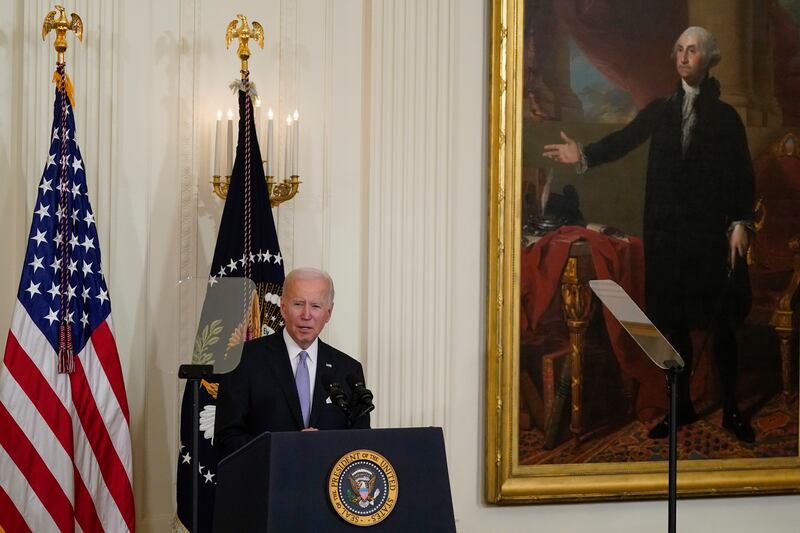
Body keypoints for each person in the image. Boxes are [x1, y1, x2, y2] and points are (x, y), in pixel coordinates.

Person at [542, 27, 755, 442]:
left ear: (709, 59)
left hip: (711, 239)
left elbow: (741, 177)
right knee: (673, 327)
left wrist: (740, 224)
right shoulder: (660, 110)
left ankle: (731, 409)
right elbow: (624, 140)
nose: (682, 56)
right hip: (668, 239)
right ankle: (683, 409)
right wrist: (582, 153)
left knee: (723, 325)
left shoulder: (727, 118)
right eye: (678, 49)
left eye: (692, 50)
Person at [215, 267, 370, 458]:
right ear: (283, 307)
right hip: (266, 483)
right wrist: (285, 447)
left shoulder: (348, 370)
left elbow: (362, 443)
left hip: (327, 485)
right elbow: (227, 438)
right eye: (298, 304)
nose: (306, 315)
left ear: (328, 313)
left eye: (316, 306)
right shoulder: (243, 359)